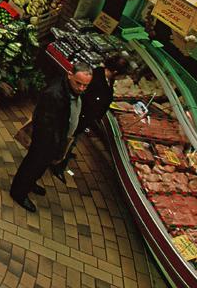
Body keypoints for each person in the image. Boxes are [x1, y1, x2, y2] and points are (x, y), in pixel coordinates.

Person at [9, 63, 93, 213]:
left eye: (85, 85)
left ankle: (30, 184)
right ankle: (18, 192)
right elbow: (44, 122)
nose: (81, 88)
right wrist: (53, 143)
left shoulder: (71, 91)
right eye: (78, 83)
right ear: (70, 75)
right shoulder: (54, 94)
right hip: (47, 140)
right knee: (32, 165)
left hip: (55, 138)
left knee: (39, 166)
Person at [51, 54, 130, 179]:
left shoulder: (106, 78)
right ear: (115, 72)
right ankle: (58, 164)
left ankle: (64, 153)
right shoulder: (95, 79)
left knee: (72, 139)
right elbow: (83, 99)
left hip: (84, 118)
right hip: (79, 117)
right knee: (68, 138)